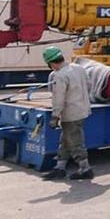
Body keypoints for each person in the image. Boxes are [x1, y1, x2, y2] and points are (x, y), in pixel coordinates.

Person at [41, 46, 94, 180]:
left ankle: (85, 168)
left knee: (75, 141)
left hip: (71, 113)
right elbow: (88, 85)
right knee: (65, 140)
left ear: (51, 63)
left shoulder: (60, 75)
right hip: (83, 109)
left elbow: (58, 98)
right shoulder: (79, 68)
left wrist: (54, 116)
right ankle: (60, 167)